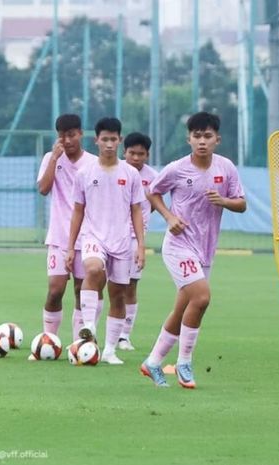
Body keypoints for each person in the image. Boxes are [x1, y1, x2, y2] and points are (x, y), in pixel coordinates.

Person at [140, 111, 246, 388]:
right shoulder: (177, 168)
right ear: (189, 139)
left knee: (183, 308)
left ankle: (152, 363)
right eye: (197, 136)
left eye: (207, 136)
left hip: (205, 249)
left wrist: (222, 200)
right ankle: (184, 362)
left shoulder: (226, 168)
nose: (202, 141)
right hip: (178, 246)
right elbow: (152, 191)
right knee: (201, 298)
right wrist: (169, 217)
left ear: (217, 139)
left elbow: (242, 203)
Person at [66, 117, 145, 365]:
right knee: (92, 269)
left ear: (119, 141)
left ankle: (110, 350)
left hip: (122, 241)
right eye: (105, 139)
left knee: (118, 295)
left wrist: (141, 245)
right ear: (96, 140)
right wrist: (70, 247)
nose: (109, 144)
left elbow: (136, 211)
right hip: (93, 236)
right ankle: (88, 325)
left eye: (113, 139)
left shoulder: (130, 173)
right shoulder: (85, 173)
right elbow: (78, 210)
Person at [35, 114, 97, 352]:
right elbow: (43, 189)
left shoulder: (93, 163)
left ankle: (78, 345)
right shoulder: (52, 158)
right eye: (62, 136)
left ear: (80, 134)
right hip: (59, 236)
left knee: (82, 290)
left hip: (87, 237)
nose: (68, 140)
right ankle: (48, 341)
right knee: (55, 289)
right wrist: (54, 159)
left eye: (72, 134)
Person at [118, 132, 158, 351]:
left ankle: (124, 336)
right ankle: (92, 331)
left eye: (140, 154)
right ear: (124, 152)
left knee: (130, 286)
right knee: (106, 285)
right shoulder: (115, 170)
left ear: (147, 155)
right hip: (111, 235)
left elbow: (151, 204)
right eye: (131, 153)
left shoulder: (153, 177)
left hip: (135, 239)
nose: (135, 157)